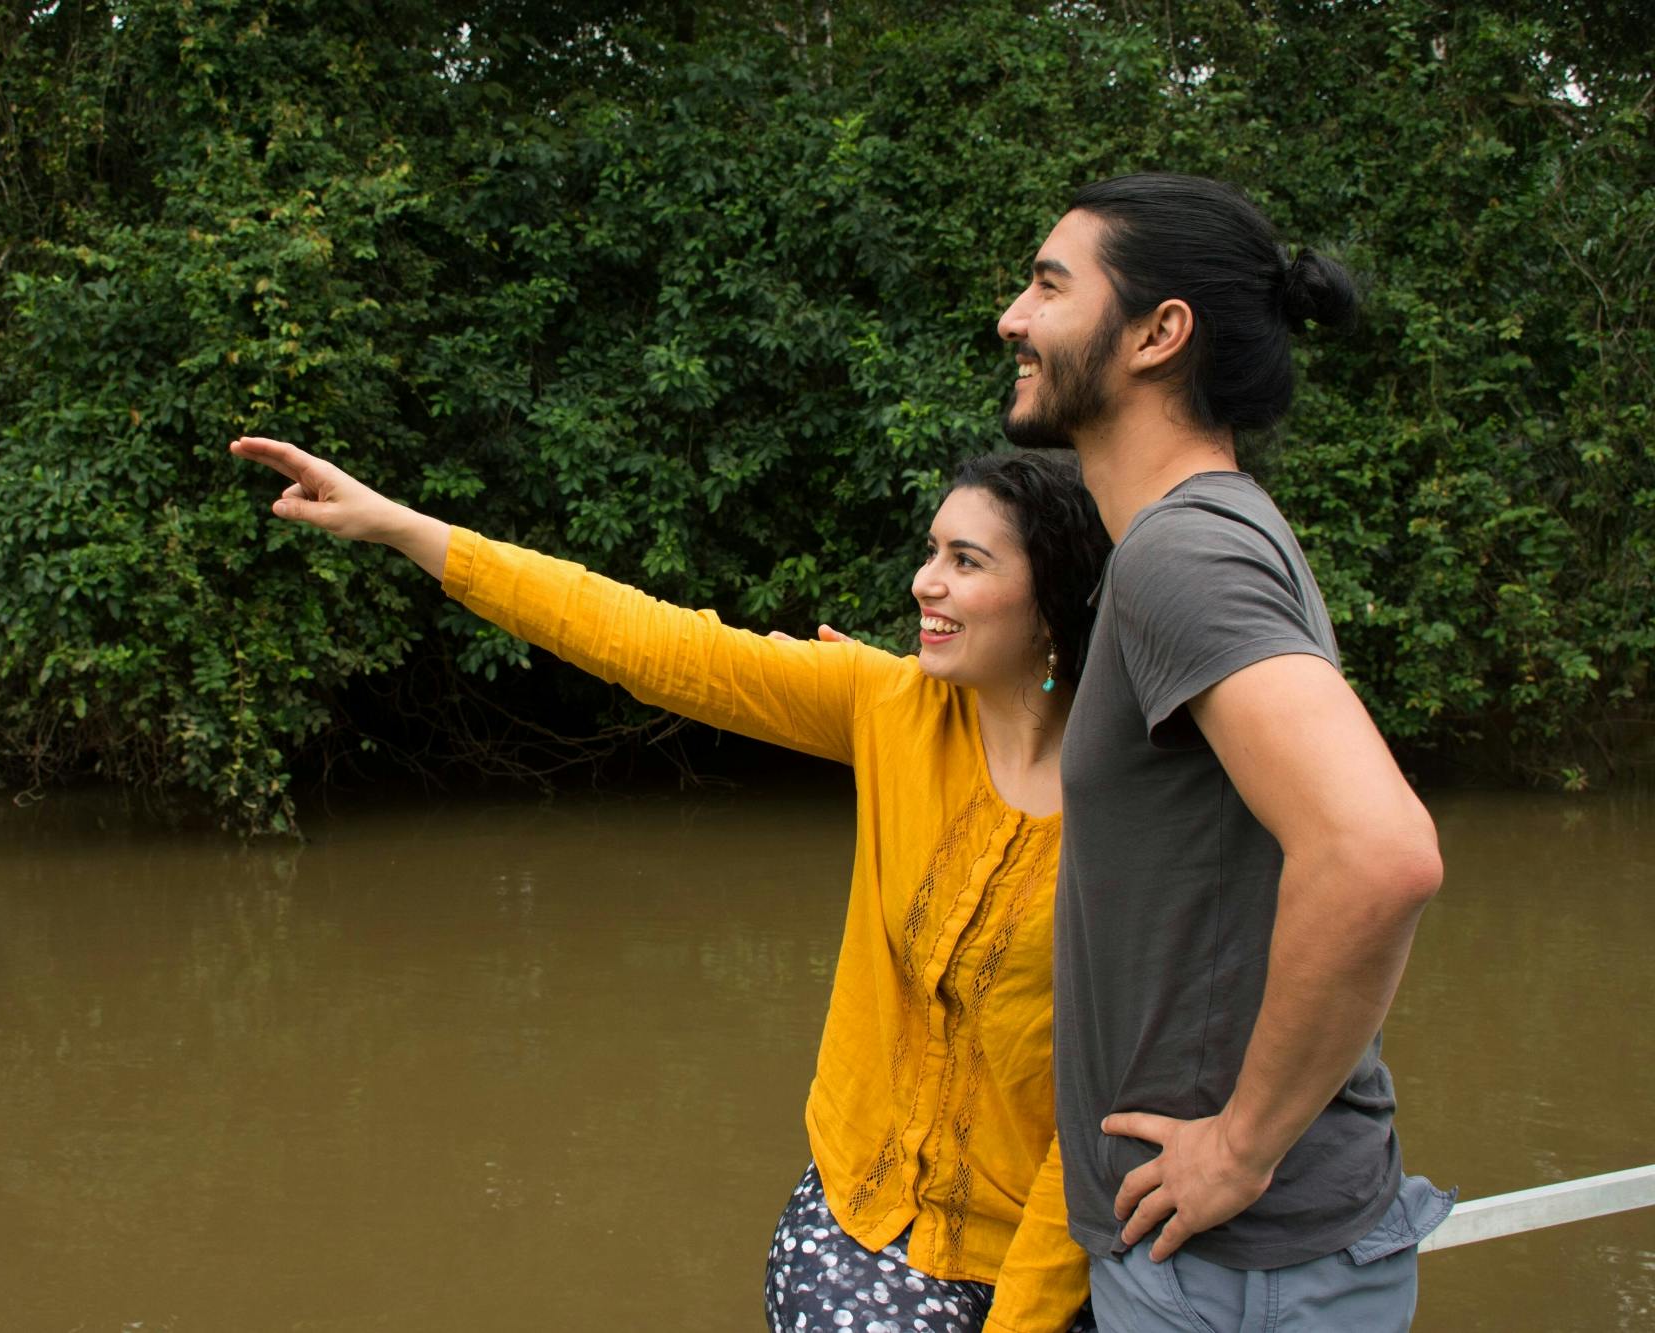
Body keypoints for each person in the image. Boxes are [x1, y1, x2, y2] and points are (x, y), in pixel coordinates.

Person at [230, 434, 1109, 1333]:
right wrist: (402, 527)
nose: (926, 581)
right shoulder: (889, 706)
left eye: (966, 561)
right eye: (931, 552)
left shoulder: (1131, 814)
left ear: (1049, 601)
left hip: (1036, 1251)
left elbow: (1092, 1128)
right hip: (859, 1213)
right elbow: (647, 640)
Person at [993, 172, 1453, 1331]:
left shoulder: (1179, 554)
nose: (1011, 316)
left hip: (1227, 1265)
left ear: (1157, 333)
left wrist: (1239, 1148)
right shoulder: (1210, 532)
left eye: (1049, 284)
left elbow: (1378, 852)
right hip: (1251, 1258)